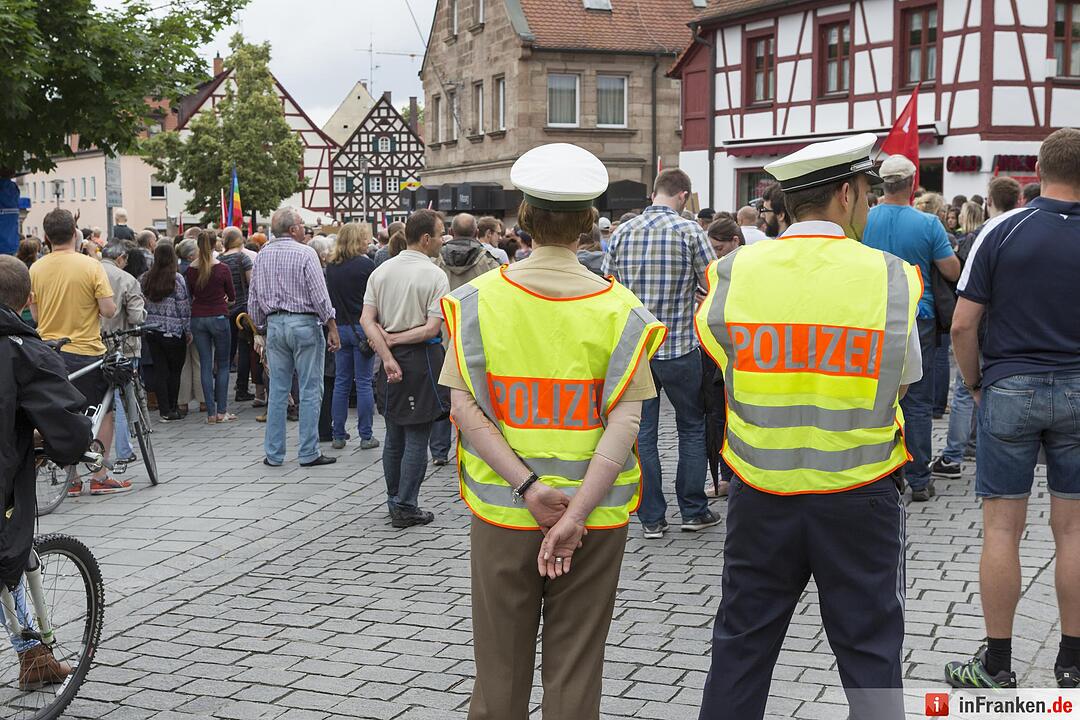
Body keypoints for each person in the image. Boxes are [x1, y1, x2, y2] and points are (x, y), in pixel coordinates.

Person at [696, 133, 922, 720]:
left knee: (741, 645)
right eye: (867, 195)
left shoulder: (732, 271)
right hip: (858, 489)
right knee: (870, 654)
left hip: (760, 487)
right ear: (846, 194)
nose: (868, 206)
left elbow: (727, 361)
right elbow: (902, 382)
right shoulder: (891, 277)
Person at [442, 143, 664, 720]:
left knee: (499, 672)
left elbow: (466, 411)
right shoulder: (622, 309)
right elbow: (627, 420)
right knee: (575, 672)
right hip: (595, 515)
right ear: (590, 222)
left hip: (505, 510)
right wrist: (575, 512)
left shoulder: (475, 302)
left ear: (524, 215)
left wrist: (528, 489)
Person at [945, 129, 1080, 690]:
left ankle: (997, 663)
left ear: (1040, 169)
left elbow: (962, 323)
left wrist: (976, 384)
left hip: (1010, 385)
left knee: (1002, 528)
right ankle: (1072, 662)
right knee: (1073, 530)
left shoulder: (1002, 228)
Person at [602, 168, 721, 538]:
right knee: (691, 426)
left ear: (655, 192)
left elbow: (608, 289)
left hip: (637, 349)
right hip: (680, 345)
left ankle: (651, 517)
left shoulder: (622, 232)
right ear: (683, 196)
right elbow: (711, 284)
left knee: (643, 434)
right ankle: (693, 509)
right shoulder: (689, 231)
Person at [0, 255, 93, 690]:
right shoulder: (21, 350)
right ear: (27, 301)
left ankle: (33, 657)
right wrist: (72, 447)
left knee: (7, 560)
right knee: (6, 550)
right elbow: (68, 421)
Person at [862, 154, 961, 501]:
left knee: (875, 396)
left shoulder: (865, 220)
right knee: (917, 401)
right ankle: (919, 480)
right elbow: (951, 271)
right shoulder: (928, 224)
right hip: (918, 314)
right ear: (912, 182)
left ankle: (878, 472)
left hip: (870, 315)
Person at [29, 209, 130, 496]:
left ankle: (70, 479)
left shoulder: (36, 269)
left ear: (46, 237)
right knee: (103, 412)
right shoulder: (90, 265)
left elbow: (35, 313)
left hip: (49, 353)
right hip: (87, 350)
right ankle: (99, 474)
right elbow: (108, 309)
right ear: (75, 233)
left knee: (61, 413)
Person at [361, 209, 449, 528]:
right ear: (426, 239)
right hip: (421, 358)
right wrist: (394, 345)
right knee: (416, 435)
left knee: (394, 434)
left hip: (388, 357)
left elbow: (367, 321)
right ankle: (406, 504)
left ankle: (394, 500)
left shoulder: (382, 271)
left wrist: (385, 354)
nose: (443, 239)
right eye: (440, 234)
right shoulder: (434, 274)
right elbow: (430, 329)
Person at [931, 177, 1021, 480]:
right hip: (1007, 329)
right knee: (997, 390)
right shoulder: (1022, 233)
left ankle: (954, 455)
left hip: (978, 323)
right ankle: (984, 451)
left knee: (965, 392)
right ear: (1018, 199)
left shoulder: (979, 236)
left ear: (989, 200)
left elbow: (963, 288)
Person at [248, 207, 340, 467]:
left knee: (278, 389)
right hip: (304, 323)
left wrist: (261, 328)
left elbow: (253, 297)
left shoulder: (263, 254)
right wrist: (331, 325)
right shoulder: (306, 253)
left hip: (275, 323)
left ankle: (274, 454)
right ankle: (309, 451)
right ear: (293, 229)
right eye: (301, 224)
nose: (304, 228)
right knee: (310, 388)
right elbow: (319, 295)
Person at [431, 213, 500, 465]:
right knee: (476, 397)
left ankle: (439, 451)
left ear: (452, 230)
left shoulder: (437, 261)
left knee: (445, 392)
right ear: (475, 232)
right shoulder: (487, 261)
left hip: (443, 333)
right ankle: (477, 448)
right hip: (477, 334)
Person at [325, 223, 379, 451]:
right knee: (364, 382)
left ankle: (338, 434)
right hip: (362, 327)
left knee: (341, 382)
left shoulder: (332, 266)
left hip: (340, 328)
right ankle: (366, 435)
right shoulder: (366, 265)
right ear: (359, 240)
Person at [100, 242, 147, 465]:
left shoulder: (90, 273)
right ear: (120, 258)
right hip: (122, 343)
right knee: (120, 398)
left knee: (100, 399)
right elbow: (137, 317)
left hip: (94, 344)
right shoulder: (127, 279)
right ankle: (124, 450)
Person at [186, 230, 236, 424]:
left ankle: (211, 414)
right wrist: (225, 300)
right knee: (223, 365)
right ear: (216, 244)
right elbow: (231, 296)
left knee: (205, 364)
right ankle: (222, 411)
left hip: (198, 317)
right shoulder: (222, 268)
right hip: (219, 316)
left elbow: (190, 295)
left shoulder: (191, 269)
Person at [141, 243, 190, 422]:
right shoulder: (176, 279)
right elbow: (183, 306)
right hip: (174, 331)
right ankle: (173, 406)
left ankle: (164, 409)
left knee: (160, 370)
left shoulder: (145, 278)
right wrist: (187, 329)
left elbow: (141, 303)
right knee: (175, 371)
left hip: (152, 331)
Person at [219, 227, 254, 401]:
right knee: (245, 349)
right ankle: (241, 388)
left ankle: (220, 390)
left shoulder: (219, 259)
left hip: (225, 309)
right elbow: (252, 283)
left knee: (226, 352)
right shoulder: (243, 258)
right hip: (242, 309)